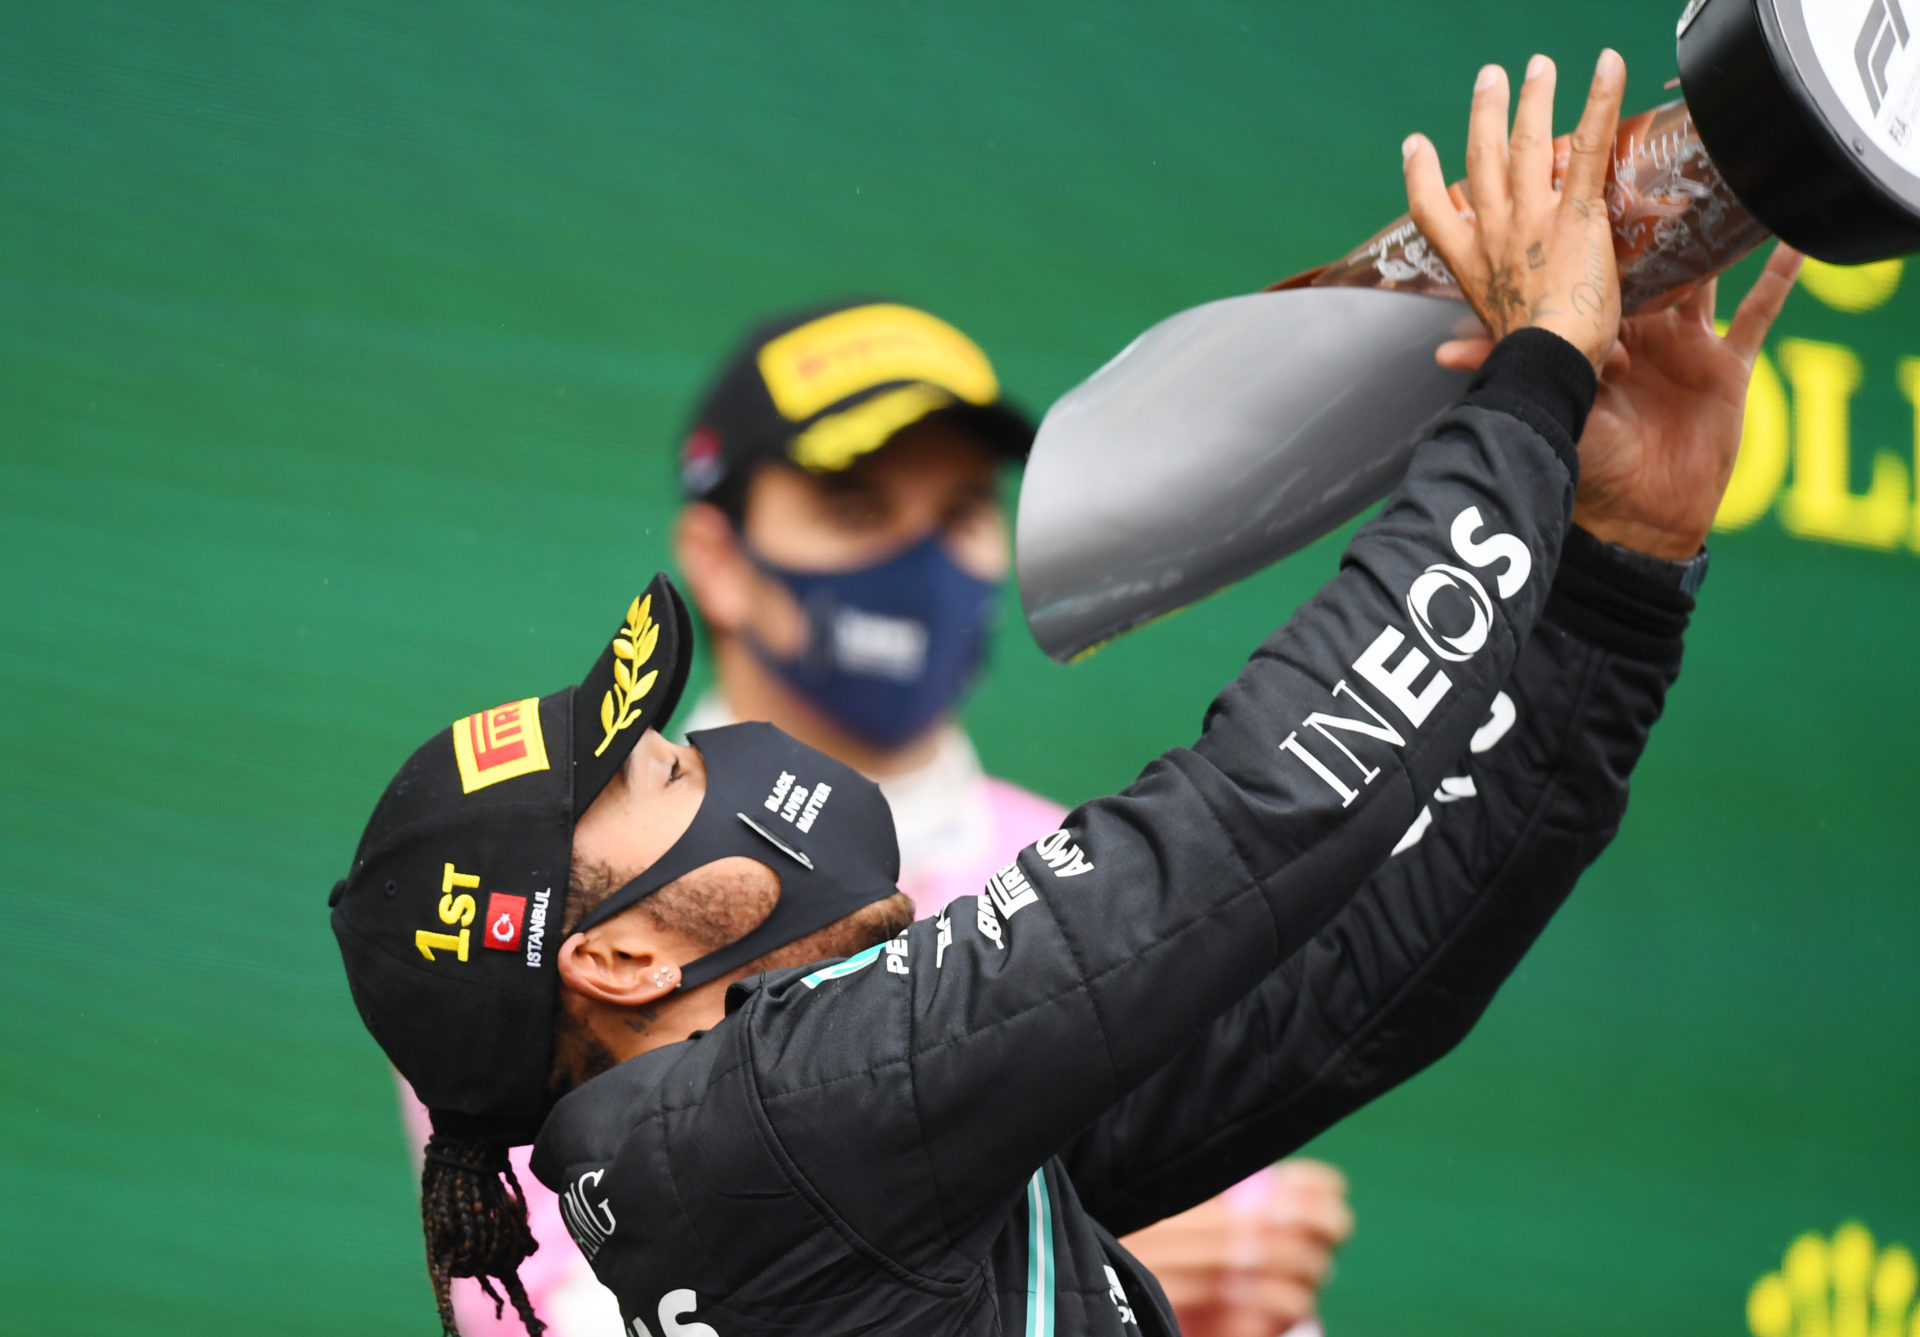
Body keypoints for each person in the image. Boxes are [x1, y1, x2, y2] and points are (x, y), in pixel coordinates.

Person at [329, 50, 1801, 1336]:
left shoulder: (778, 1159)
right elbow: (1259, 812)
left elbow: (1353, 993)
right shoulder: (787, 1125)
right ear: (623, 961)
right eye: (654, 776)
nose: (706, 761)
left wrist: (1622, 569)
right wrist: (1530, 384)